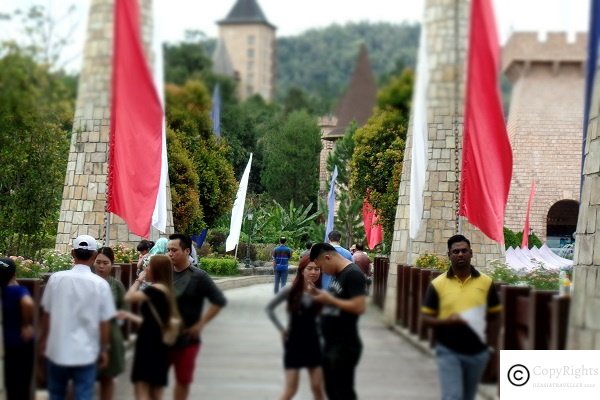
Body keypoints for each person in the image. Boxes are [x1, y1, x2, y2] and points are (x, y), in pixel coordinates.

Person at [421, 234, 502, 400]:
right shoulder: (438, 284)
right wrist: (446, 321)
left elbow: (495, 317)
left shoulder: (486, 282)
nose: (460, 254)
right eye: (455, 251)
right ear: (449, 255)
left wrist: (492, 349)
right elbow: (426, 318)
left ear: (471, 253)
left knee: (467, 396)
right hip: (448, 351)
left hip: (477, 353)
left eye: (464, 251)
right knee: (453, 396)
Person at [40, 235, 116, 400]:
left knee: (57, 394)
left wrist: (44, 340)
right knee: (83, 394)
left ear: (73, 253)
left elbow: (47, 314)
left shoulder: (55, 279)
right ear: (95, 255)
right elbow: (104, 323)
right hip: (86, 352)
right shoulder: (101, 285)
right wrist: (103, 349)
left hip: (57, 349)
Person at [167, 233, 227, 400]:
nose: (170, 254)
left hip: (187, 340)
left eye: (174, 250)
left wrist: (201, 324)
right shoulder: (163, 274)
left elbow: (218, 301)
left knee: (183, 380)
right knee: (153, 380)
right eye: (168, 250)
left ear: (186, 251)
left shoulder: (199, 276)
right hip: (162, 338)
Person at [309, 243, 367, 400]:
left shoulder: (353, 274)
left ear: (328, 257)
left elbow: (359, 306)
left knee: (342, 392)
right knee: (332, 390)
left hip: (344, 345)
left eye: (321, 267)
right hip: (332, 343)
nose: (322, 272)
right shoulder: (338, 273)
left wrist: (329, 299)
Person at [265, 255, 325, 400]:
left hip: (314, 342)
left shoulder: (321, 292)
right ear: (302, 270)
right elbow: (270, 308)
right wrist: (281, 329)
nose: (313, 272)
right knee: (290, 390)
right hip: (294, 342)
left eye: (317, 269)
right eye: (309, 268)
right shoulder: (290, 290)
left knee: (317, 388)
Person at [123, 254, 179, 400]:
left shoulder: (153, 291)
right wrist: (129, 316)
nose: (145, 269)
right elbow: (151, 322)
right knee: (156, 390)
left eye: (148, 266)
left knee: (141, 387)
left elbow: (128, 297)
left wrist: (138, 280)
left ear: (156, 270)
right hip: (161, 345)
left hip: (148, 345)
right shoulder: (168, 291)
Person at [94, 247, 127, 400]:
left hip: (111, 337)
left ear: (111, 264)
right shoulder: (88, 282)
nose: (101, 266)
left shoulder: (116, 286)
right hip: (88, 336)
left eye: (105, 263)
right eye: (98, 262)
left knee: (107, 379)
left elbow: (123, 311)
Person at [1, 257, 35, 400]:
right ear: (14, 274)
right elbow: (28, 303)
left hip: (5, 344)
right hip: (21, 343)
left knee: (8, 381)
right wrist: (26, 324)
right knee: (22, 384)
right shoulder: (17, 290)